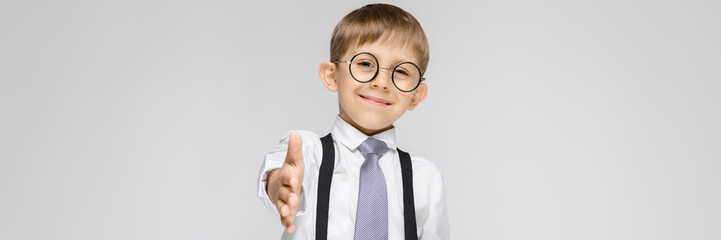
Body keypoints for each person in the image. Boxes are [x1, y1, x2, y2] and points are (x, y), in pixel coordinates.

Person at [257, 3, 449, 239]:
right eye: (366, 64)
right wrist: (280, 186)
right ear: (331, 76)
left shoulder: (425, 178)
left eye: (401, 71)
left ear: (416, 95)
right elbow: (279, 172)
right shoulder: (308, 151)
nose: (381, 82)